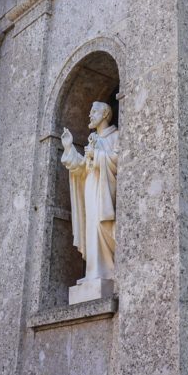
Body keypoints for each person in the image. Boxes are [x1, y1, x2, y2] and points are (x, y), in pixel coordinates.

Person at [61, 101, 119, 298]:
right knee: (91, 228)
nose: (90, 115)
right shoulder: (93, 139)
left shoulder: (115, 136)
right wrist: (69, 148)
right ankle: (93, 272)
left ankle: (107, 271)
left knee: (102, 225)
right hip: (90, 187)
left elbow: (118, 160)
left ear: (105, 115)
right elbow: (82, 167)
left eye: (94, 112)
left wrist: (98, 155)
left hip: (105, 190)